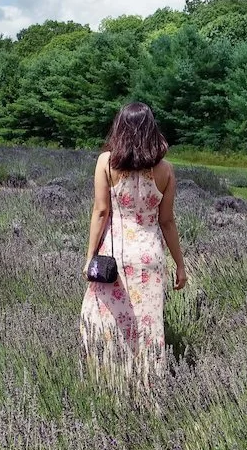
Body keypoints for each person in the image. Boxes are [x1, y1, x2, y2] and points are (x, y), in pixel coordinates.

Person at [80, 102, 187, 371]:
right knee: (148, 326)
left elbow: (101, 211)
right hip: (149, 256)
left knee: (105, 319)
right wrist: (180, 265)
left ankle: (109, 380)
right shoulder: (166, 170)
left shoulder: (106, 162)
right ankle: (147, 389)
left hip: (115, 255)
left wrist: (89, 257)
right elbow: (167, 221)